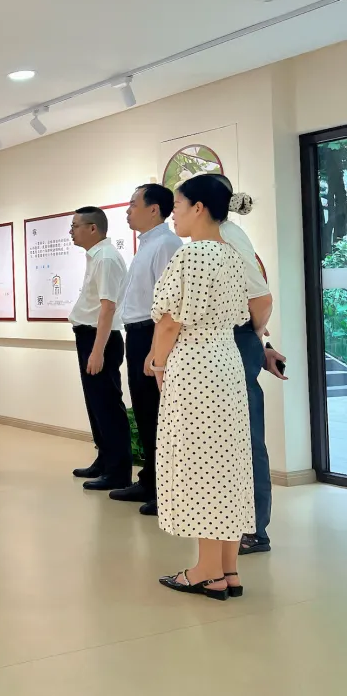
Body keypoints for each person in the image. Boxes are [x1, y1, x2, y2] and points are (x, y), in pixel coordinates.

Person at [151, 174, 254, 601]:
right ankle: (228, 568)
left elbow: (170, 321)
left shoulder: (192, 255)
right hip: (226, 363)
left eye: (177, 205)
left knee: (198, 464)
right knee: (225, 463)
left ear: (198, 208)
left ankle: (206, 571)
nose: (173, 214)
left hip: (194, 364)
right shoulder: (231, 254)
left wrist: (157, 362)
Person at [205, 173, 286, 555]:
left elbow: (260, 298)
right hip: (227, 343)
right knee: (225, 440)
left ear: (201, 206)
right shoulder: (212, 239)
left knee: (247, 440)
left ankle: (254, 529)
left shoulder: (228, 237)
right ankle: (232, 523)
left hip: (235, 342)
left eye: (182, 202)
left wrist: (254, 339)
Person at [110, 184, 183, 516]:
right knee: (144, 411)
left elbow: (169, 305)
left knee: (157, 414)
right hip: (138, 335)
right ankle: (149, 481)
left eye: (133, 204)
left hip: (151, 336)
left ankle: (166, 491)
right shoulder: (148, 244)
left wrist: (157, 351)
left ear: (154, 209)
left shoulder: (166, 244)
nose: (128, 211)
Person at [68, 206, 133, 491]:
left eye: (75, 226)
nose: (71, 232)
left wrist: (97, 351)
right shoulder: (96, 256)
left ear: (92, 228)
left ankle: (118, 471)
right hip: (91, 336)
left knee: (107, 406)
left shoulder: (105, 258)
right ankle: (105, 459)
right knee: (96, 404)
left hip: (100, 339)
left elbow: (108, 308)